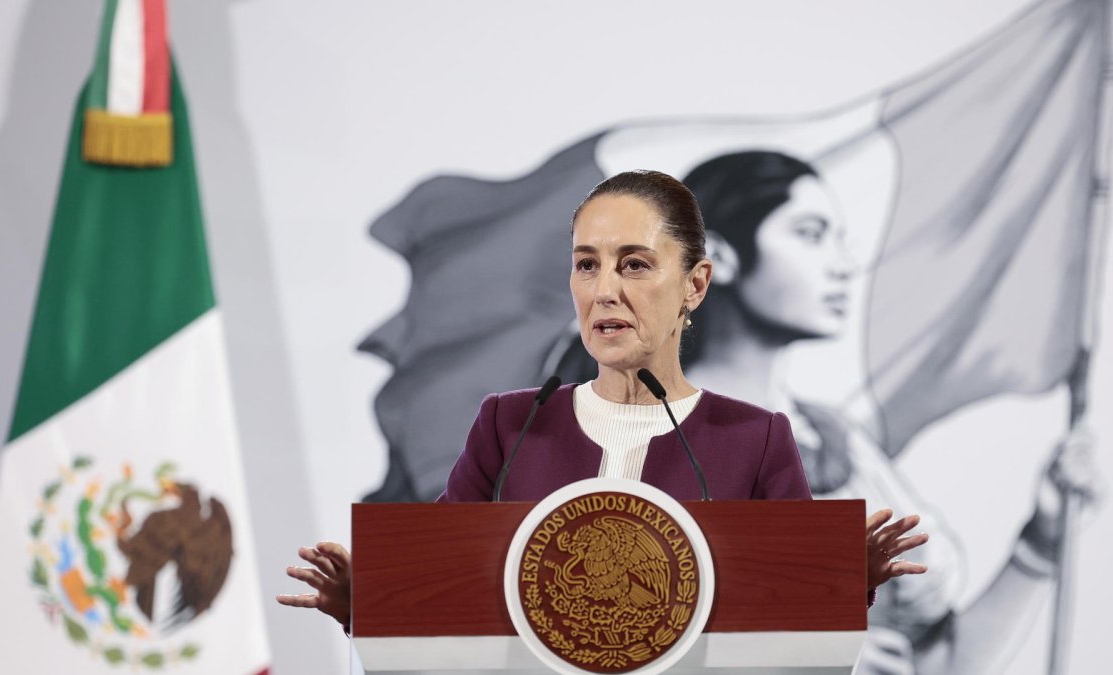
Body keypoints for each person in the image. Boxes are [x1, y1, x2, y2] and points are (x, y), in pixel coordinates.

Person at [278, 169, 931, 630]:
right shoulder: (509, 425)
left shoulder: (756, 439)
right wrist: (369, 606)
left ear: (696, 284)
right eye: (586, 264)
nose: (604, 290)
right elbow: (445, 592)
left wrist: (845, 582)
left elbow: (791, 623)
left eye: (635, 265)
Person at [564, 152, 1095, 674]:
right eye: (811, 234)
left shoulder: (835, 440)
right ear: (718, 259)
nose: (842, 265)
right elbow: (608, 643)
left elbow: (937, 661)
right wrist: (808, 657)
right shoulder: (640, 438)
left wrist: (1041, 542)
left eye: (840, 240)